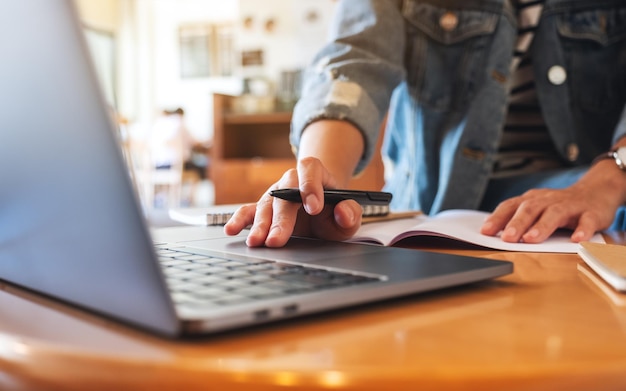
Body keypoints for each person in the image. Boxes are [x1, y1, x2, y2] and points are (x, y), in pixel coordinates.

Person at [225, 0, 626, 248]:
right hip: (428, 214)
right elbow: (354, 66)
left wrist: (609, 181)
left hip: (595, 208)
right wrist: (319, 178)